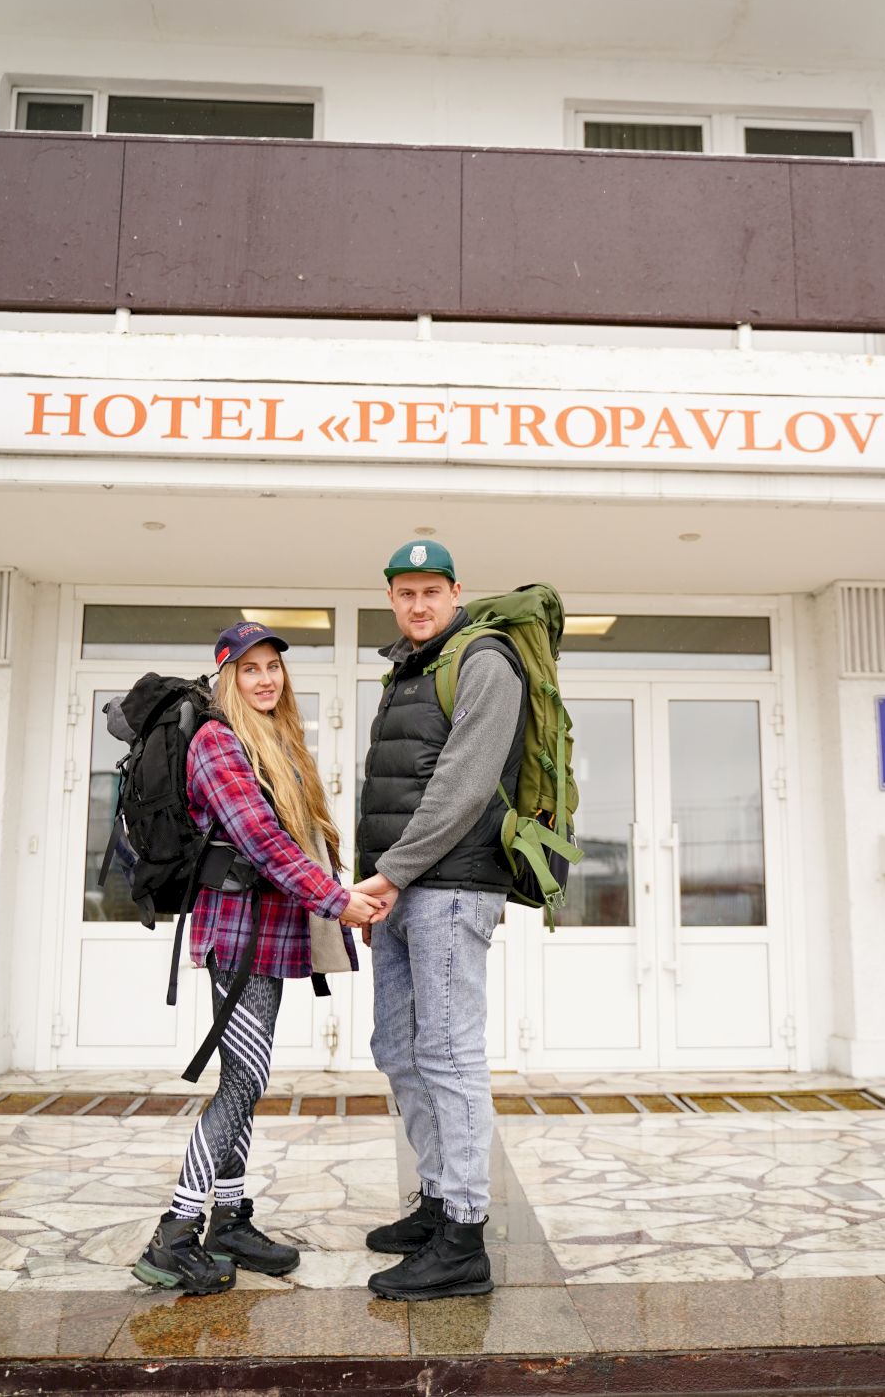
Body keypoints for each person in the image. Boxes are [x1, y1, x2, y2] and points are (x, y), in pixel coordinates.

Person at [132, 621, 385, 1297]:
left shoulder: (274, 739)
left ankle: (230, 1220)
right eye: (250, 669)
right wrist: (338, 902)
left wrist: (344, 892)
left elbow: (302, 839)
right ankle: (174, 1234)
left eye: (273, 666)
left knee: (246, 1078)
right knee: (243, 1080)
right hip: (238, 938)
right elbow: (264, 842)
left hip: (270, 936)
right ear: (228, 678)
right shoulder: (218, 743)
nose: (266, 678)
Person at [356, 542, 527, 1301]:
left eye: (431, 591)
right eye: (405, 593)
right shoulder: (408, 669)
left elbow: (462, 786)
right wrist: (380, 885)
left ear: (457, 591)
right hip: (400, 890)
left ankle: (463, 1236)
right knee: (397, 1047)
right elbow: (389, 788)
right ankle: (436, 1199)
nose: (418, 604)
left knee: (450, 1054)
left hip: (451, 887)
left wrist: (389, 874)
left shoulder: (484, 661)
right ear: (392, 599)